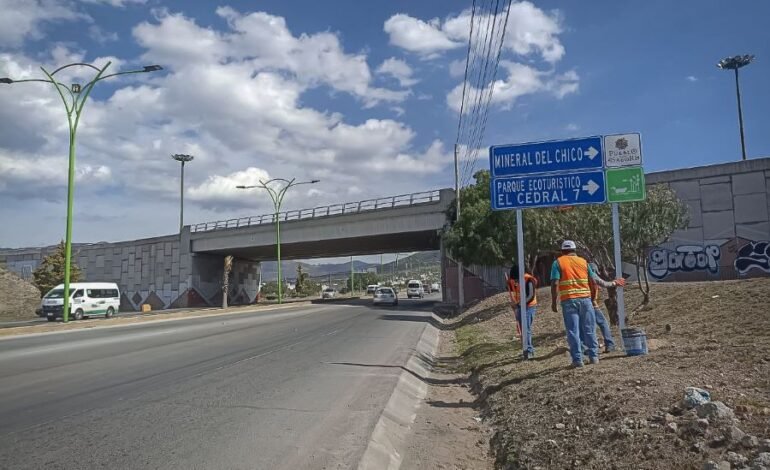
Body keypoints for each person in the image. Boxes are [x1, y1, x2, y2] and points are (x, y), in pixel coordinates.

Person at [550, 240, 625, 368]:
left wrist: (553, 301)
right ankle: (594, 357)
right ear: (574, 250)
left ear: (562, 251)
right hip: (586, 300)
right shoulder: (584, 262)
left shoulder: (558, 263)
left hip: (568, 301)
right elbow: (597, 280)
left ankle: (578, 360)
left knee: (573, 331)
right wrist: (613, 283)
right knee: (589, 329)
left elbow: (555, 283)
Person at [507, 264, 538, 360]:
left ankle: (528, 351)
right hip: (519, 307)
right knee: (522, 329)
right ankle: (526, 348)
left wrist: (519, 304)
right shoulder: (513, 281)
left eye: (516, 279)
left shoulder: (529, 280)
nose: (515, 281)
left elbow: (530, 296)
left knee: (526, 329)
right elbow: (512, 290)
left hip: (529, 307)